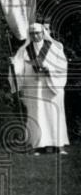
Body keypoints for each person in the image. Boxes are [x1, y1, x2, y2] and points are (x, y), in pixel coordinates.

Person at [9, 23, 68, 155]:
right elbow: (18, 69)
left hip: (51, 87)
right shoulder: (24, 50)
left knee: (55, 114)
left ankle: (58, 145)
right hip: (34, 88)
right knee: (37, 115)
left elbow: (62, 66)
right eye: (32, 33)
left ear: (43, 33)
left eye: (37, 32)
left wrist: (49, 70)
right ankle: (38, 145)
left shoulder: (55, 48)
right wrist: (13, 65)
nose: (35, 35)